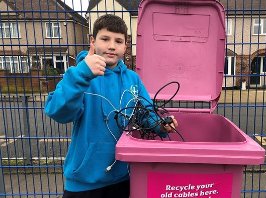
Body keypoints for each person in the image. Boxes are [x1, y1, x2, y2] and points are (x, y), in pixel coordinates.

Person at [44, 14, 177, 198]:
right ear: (93, 41)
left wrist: (160, 125)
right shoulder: (80, 74)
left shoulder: (132, 79)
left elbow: (145, 114)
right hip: (84, 183)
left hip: (122, 178)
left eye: (118, 41)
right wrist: (81, 74)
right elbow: (58, 111)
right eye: (105, 39)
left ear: (125, 45)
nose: (112, 46)